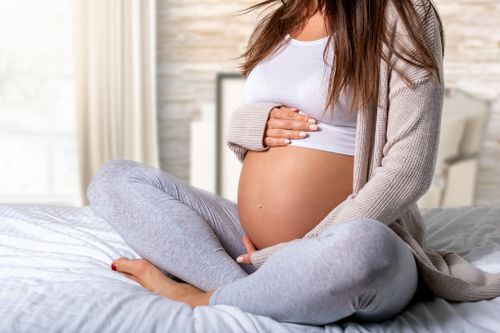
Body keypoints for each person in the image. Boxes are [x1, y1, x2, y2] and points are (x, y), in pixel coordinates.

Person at [87, 0, 500, 326]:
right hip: (250, 249)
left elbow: (409, 167)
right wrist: (251, 123)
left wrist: (301, 250)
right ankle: (263, 289)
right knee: (114, 180)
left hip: (341, 245)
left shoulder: (400, 13)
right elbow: (259, 120)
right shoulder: (281, 18)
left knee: (364, 250)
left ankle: (206, 296)